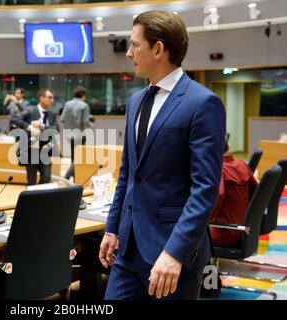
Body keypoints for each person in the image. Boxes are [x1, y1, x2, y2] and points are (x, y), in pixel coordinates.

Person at [99, 10, 226, 300]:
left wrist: (175, 252)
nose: (129, 52)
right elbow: (129, 174)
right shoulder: (135, 101)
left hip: (170, 253)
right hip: (128, 249)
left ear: (158, 49)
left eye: (135, 45)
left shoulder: (203, 103)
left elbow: (205, 190)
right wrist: (112, 228)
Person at [209, 140, 258, 247]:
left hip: (225, 232)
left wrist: (207, 219)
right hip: (245, 229)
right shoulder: (242, 164)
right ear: (229, 147)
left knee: (185, 227)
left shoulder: (219, 170)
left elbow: (219, 195)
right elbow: (257, 193)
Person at [10, 88, 59, 186]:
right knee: (31, 181)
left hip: (45, 151)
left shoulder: (51, 113)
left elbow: (56, 128)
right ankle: (32, 198)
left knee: (46, 178)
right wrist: (29, 127)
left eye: (52, 98)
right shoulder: (30, 110)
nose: (52, 100)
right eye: (49, 97)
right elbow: (14, 119)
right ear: (41, 98)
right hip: (31, 151)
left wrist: (43, 126)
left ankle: (39, 196)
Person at [60, 85, 92, 180]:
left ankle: (74, 177)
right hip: (79, 135)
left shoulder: (67, 104)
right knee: (79, 157)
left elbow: (62, 119)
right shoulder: (84, 105)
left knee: (73, 157)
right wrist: (90, 124)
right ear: (82, 95)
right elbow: (85, 122)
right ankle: (67, 176)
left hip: (69, 135)